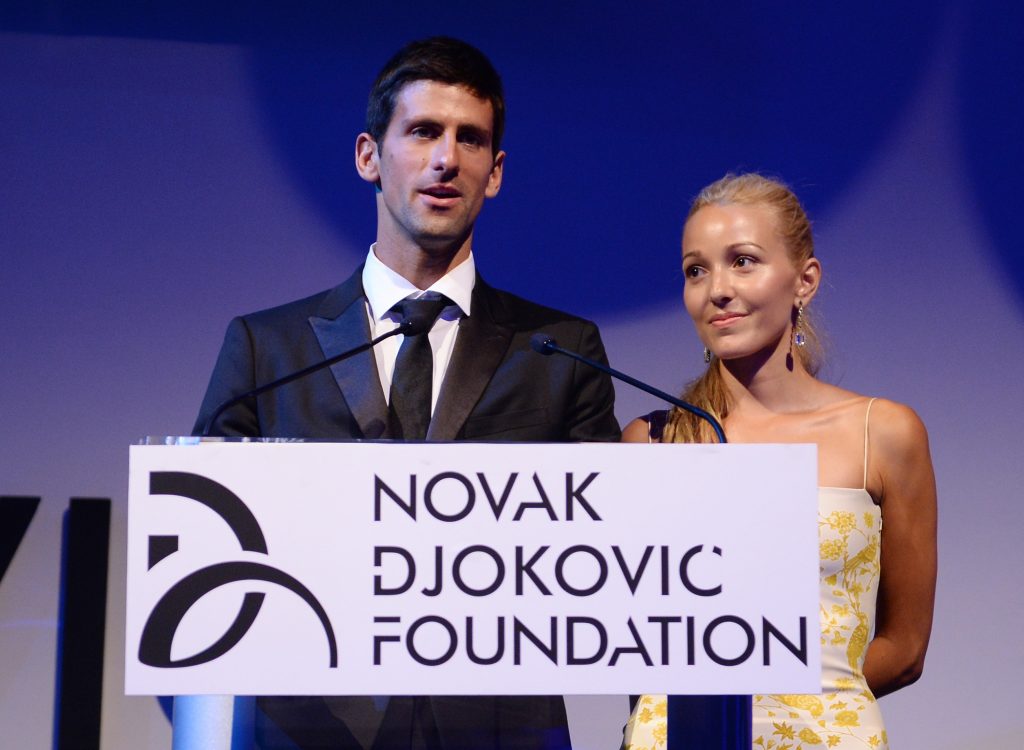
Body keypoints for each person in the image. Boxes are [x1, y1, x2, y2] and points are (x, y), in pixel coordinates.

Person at [194, 37, 620, 750]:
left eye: (470, 139)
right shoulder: (268, 349)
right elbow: (211, 556)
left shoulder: (560, 350)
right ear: (370, 156)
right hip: (304, 728)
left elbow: (601, 561)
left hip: (498, 731)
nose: (446, 158)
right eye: (423, 131)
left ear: (496, 172)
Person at [620, 174, 936, 749]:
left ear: (805, 281)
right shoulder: (650, 442)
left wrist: (794, 706)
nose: (717, 289)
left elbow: (907, 646)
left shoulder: (883, 433)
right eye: (697, 270)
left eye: (743, 261)